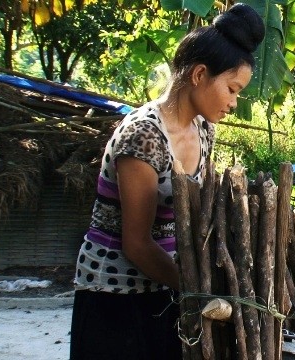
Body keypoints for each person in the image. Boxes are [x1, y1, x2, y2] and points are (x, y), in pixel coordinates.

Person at [69, 4, 265, 360]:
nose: (234, 103)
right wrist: (201, 289)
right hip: (115, 298)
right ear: (200, 74)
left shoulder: (204, 130)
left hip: (168, 287)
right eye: (233, 89)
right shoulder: (142, 136)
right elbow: (138, 245)